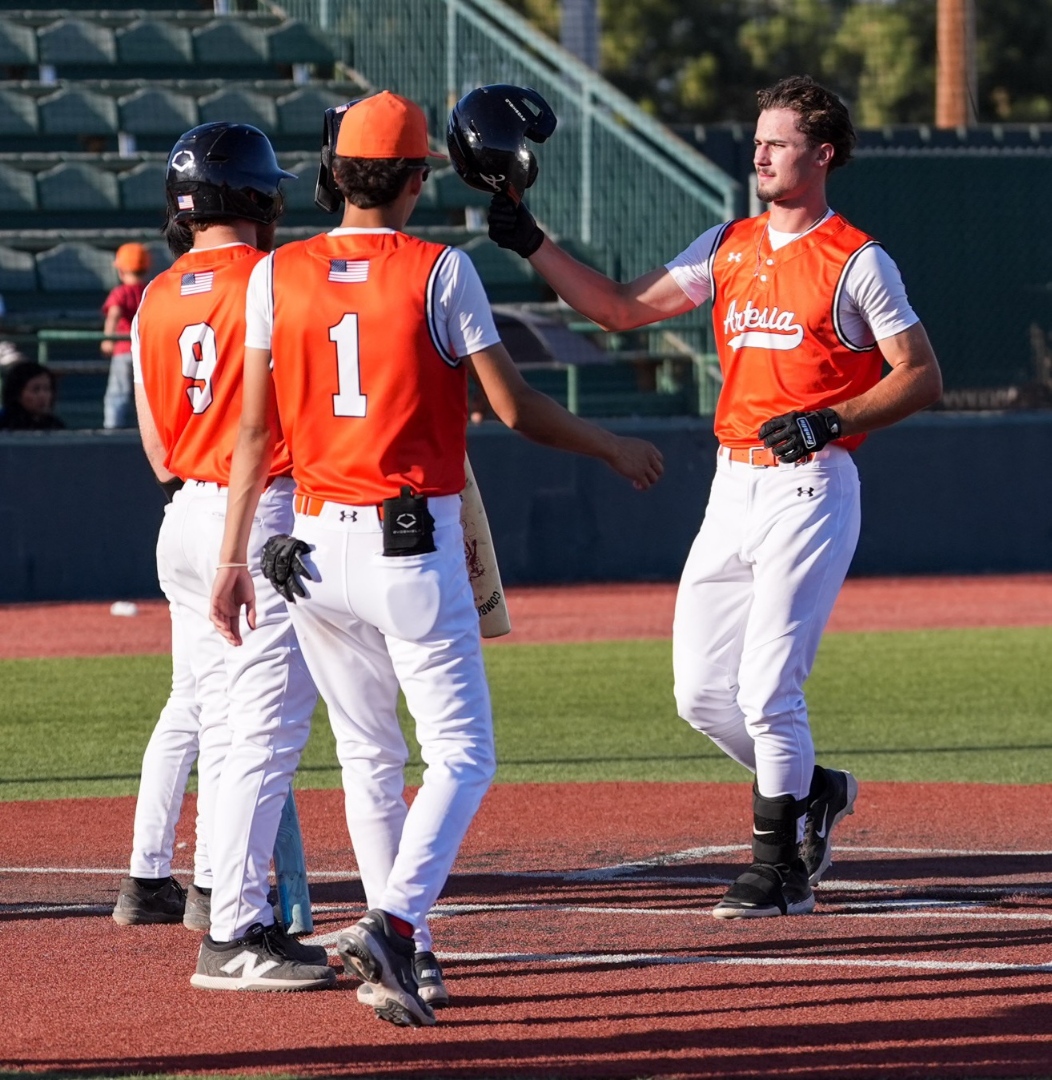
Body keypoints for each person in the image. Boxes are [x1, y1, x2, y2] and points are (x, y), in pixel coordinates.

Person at [208, 90, 663, 1024]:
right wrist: (610, 446)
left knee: (370, 755)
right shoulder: (438, 270)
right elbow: (513, 407)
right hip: (409, 545)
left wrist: (232, 558)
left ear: (334, 174)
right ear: (419, 177)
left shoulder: (274, 273)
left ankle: (404, 949)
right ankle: (397, 925)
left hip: (309, 547)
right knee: (463, 754)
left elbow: (253, 433)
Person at [484, 75, 943, 918]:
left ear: (823, 155)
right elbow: (620, 311)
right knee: (700, 694)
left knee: (769, 689)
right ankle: (815, 790)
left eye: (779, 141)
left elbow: (921, 375)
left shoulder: (857, 259)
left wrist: (830, 421)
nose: (760, 152)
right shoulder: (726, 244)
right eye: (759, 138)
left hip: (810, 487)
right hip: (731, 487)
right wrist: (532, 243)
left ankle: (780, 872)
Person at [117, 121, 329, 990]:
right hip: (262, 512)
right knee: (262, 727)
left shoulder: (154, 297)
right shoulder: (280, 276)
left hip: (184, 515)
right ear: (259, 197)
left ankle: (211, 892)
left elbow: (159, 453)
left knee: (210, 711)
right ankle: (233, 928)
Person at [101, 242, 151, 430]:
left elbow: (114, 313)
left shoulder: (120, 292)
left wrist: (107, 339)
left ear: (121, 270)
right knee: (147, 391)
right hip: (144, 351)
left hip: (123, 349)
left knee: (118, 393)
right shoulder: (150, 289)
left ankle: (112, 428)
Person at [0, 360, 66, 430]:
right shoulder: (4, 423)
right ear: (17, 394)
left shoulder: (55, 426)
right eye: (35, 390)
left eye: (47, 389)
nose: (43, 395)